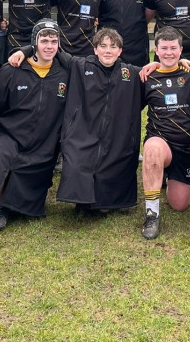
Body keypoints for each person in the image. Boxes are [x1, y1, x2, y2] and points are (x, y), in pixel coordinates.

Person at [0, 19, 70, 231]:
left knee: (28, 206)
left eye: (53, 41)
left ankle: (14, 204)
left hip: (43, 143)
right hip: (8, 134)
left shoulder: (65, 73)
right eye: (44, 41)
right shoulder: (12, 70)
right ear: (34, 42)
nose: (49, 46)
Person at [139, 27, 190, 240]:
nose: (169, 53)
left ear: (181, 50)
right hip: (160, 141)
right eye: (164, 48)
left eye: (173, 48)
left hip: (186, 147)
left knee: (179, 205)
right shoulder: (147, 76)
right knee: (152, 149)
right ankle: (152, 214)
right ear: (156, 50)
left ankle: (165, 176)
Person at [56, 27, 144, 213]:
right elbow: (53, 51)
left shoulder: (131, 73)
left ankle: (105, 202)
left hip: (116, 135)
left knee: (114, 162)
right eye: (103, 46)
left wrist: (181, 62)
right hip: (83, 131)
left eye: (113, 46)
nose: (108, 51)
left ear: (120, 51)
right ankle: (82, 200)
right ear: (95, 49)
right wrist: (25, 51)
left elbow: (161, 71)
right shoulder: (80, 66)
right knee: (80, 160)